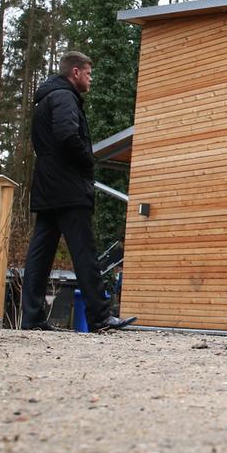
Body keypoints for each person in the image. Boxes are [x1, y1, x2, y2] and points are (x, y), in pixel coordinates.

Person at [21, 51, 135, 332]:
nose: (91, 78)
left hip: (48, 186)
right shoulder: (64, 97)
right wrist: (87, 160)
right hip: (69, 187)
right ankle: (99, 316)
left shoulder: (47, 98)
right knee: (84, 251)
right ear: (75, 72)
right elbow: (68, 136)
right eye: (88, 73)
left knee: (41, 252)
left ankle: (32, 317)